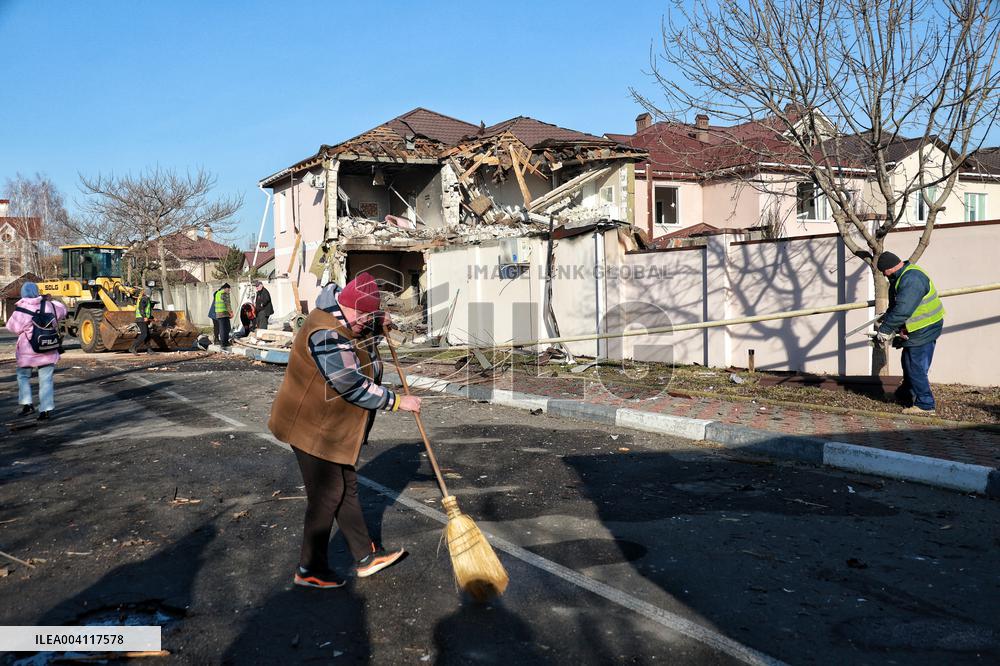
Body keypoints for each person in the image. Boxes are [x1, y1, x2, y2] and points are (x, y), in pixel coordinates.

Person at [269, 272, 421, 588]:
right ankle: (309, 569)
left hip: (329, 427)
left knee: (344, 488)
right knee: (327, 495)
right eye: (363, 315)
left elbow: (360, 337)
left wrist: (378, 325)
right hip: (310, 426)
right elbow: (349, 384)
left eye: (370, 316)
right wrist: (397, 402)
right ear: (347, 305)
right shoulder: (325, 332)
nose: (365, 321)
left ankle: (366, 556)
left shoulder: (347, 317)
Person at [874, 252, 945, 416]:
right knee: (909, 363)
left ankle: (926, 405)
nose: (884, 275)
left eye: (884, 271)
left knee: (915, 366)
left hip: (924, 327)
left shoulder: (911, 279)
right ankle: (905, 394)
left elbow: (903, 309)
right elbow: (898, 305)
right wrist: (889, 320)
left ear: (889, 268)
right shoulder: (902, 276)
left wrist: (885, 330)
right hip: (921, 326)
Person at [5, 282, 67, 421]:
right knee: (46, 380)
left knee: (23, 376)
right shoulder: (50, 305)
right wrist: (49, 300)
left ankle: (27, 405)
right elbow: (63, 310)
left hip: (28, 351)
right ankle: (45, 411)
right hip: (48, 348)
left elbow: (12, 328)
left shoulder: (21, 309)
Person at [129, 287, 155, 354]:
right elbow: (141, 309)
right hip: (141, 319)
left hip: (142, 319)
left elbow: (146, 311)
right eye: (150, 292)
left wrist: (152, 317)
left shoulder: (147, 299)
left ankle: (149, 350)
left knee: (148, 335)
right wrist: (144, 317)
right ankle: (132, 347)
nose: (151, 293)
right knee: (144, 334)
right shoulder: (144, 299)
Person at [212, 283, 234, 347]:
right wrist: (231, 312)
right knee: (225, 329)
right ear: (226, 288)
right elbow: (227, 304)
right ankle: (225, 343)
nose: (229, 291)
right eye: (229, 289)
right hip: (224, 313)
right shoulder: (224, 293)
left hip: (218, 313)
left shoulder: (217, 293)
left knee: (222, 328)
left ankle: (223, 342)